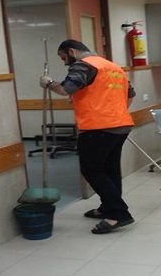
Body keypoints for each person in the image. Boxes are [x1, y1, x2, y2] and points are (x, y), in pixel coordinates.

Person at [40, 40, 135, 234]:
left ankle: (118, 213)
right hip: (121, 125)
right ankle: (107, 208)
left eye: (64, 58)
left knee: (92, 170)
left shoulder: (84, 65)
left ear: (72, 51)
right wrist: (114, 113)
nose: (65, 63)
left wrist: (48, 82)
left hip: (97, 128)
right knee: (110, 169)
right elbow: (130, 94)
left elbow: (65, 89)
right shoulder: (113, 67)